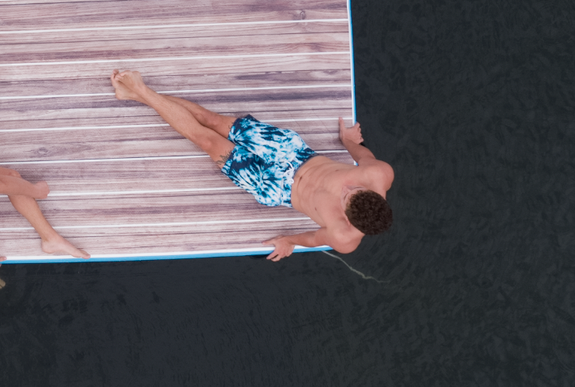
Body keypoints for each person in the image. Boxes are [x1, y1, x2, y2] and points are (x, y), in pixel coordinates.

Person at [109, 69, 394, 260]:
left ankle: (141, 91)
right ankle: (136, 93)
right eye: (353, 190)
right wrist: (347, 141)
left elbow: (312, 237)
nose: (345, 190)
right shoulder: (378, 173)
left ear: (349, 219)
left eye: (345, 200)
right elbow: (362, 154)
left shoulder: (344, 239)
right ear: (371, 192)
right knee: (213, 121)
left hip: (276, 188)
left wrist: (288, 240)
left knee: (207, 141)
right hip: (295, 153)